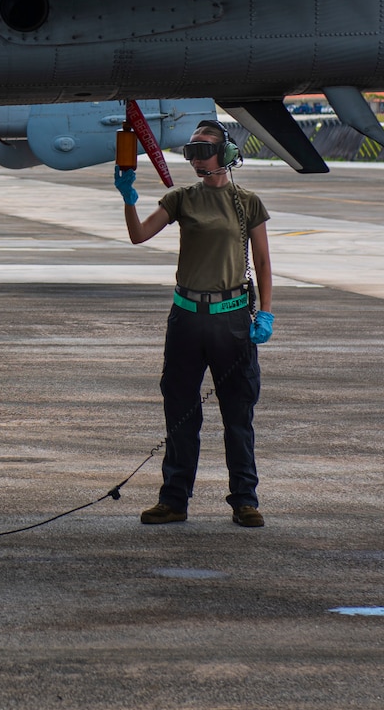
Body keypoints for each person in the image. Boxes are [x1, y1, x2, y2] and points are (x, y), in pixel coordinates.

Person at [114, 118, 273, 527]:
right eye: (192, 150)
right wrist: (129, 199)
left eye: (204, 148)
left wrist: (267, 312)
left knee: (238, 415)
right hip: (186, 318)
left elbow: (264, 264)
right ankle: (174, 499)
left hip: (232, 319)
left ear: (227, 154)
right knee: (181, 412)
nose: (196, 157)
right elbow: (138, 236)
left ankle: (244, 499)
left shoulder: (248, 202)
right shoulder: (181, 198)